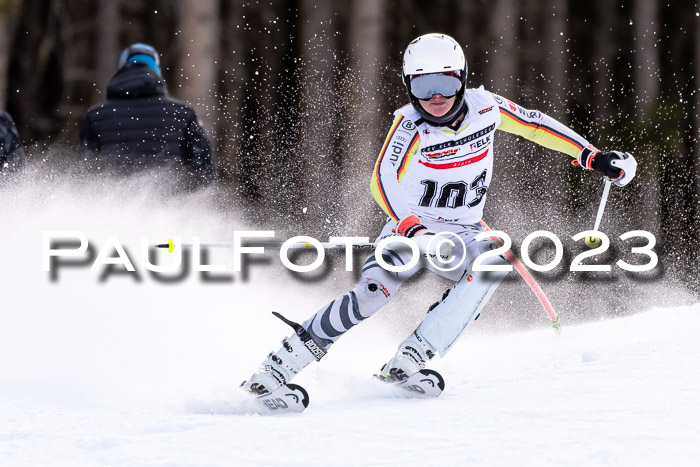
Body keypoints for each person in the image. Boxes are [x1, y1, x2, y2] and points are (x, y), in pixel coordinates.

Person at [241, 33, 638, 394]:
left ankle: (412, 358)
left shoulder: (486, 108)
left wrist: (591, 155)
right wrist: (413, 230)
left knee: (490, 264)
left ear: (463, 79)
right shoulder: (410, 126)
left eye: (446, 84)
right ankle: (279, 365)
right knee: (372, 295)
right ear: (408, 87)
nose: (436, 97)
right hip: (410, 230)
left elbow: (535, 125)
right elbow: (383, 179)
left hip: (463, 232)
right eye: (423, 85)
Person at [79, 43, 216, 189]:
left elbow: (85, 172)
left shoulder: (95, 115)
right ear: (156, 70)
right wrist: (179, 195)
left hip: (114, 205)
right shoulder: (183, 113)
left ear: (122, 69)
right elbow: (204, 171)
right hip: (167, 207)